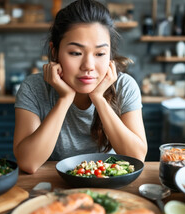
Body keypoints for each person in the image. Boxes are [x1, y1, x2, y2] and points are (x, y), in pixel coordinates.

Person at [13, 0, 147, 174]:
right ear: (55, 52)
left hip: (109, 184)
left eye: (100, 54)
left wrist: (98, 99)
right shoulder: (33, 88)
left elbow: (137, 158)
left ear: (110, 56)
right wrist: (65, 99)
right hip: (55, 186)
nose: (88, 65)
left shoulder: (124, 86)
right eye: (76, 53)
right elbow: (28, 162)